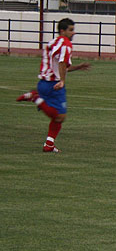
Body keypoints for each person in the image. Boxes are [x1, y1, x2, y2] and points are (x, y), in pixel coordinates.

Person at [16, 18, 90, 152]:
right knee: (60, 116)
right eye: (71, 30)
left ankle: (49, 144)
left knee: (58, 117)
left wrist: (78, 67)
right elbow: (62, 63)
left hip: (43, 83)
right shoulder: (66, 44)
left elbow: (59, 66)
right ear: (62, 31)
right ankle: (35, 98)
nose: (73, 33)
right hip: (53, 85)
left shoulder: (52, 43)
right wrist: (62, 81)